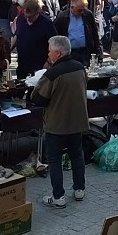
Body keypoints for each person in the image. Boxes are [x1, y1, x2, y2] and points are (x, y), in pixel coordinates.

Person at [34, 35, 89, 209]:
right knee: (77, 155)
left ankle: (58, 196)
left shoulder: (52, 73)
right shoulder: (80, 68)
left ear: (57, 53)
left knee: (55, 160)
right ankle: (79, 189)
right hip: (77, 121)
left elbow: (38, 98)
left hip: (57, 124)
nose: (48, 53)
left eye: (49, 51)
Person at [11, 0, 57, 81]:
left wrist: (48, 62)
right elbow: (17, 35)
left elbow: (54, 44)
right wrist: (9, 49)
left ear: (37, 12)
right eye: (26, 15)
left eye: (31, 16)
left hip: (39, 64)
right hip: (22, 63)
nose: (28, 18)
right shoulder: (21, 19)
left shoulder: (46, 23)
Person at [54, 0, 101, 66]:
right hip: (70, 53)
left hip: (85, 51)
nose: (82, 12)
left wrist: (97, 50)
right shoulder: (62, 17)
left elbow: (94, 33)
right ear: (72, 7)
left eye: (83, 9)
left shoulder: (88, 14)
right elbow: (57, 36)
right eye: (79, 10)